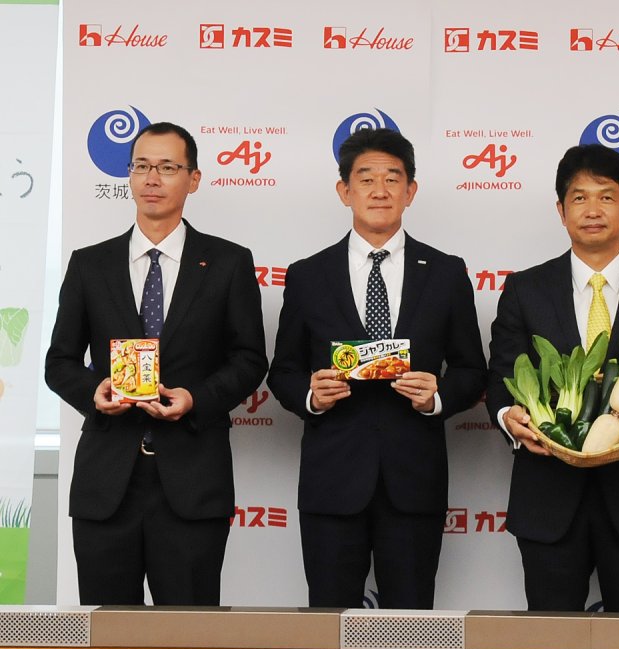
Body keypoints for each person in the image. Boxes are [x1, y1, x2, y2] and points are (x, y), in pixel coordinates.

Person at [45, 121, 268, 605]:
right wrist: (93, 392)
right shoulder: (90, 264)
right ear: (128, 175)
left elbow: (250, 359)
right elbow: (59, 361)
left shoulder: (228, 262)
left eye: (167, 167)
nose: (152, 178)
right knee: (108, 633)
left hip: (193, 481)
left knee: (188, 634)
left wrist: (196, 399)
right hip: (107, 483)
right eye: (141, 166)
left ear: (193, 178)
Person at [267, 128, 487, 609]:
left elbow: (473, 370)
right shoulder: (308, 274)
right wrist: (310, 395)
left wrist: (437, 397)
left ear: (411, 190)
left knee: (411, 624)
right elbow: (282, 372)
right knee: (329, 622)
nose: (380, 190)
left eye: (393, 178)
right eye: (366, 179)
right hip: (332, 480)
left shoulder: (446, 272)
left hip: (414, 479)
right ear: (344, 190)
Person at [485, 143, 619, 612]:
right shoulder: (525, 289)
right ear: (561, 210)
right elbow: (501, 375)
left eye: (607, 197)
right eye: (579, 197)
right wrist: (509, 418)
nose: (592, 210)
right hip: (548, 494)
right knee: (550, 638)